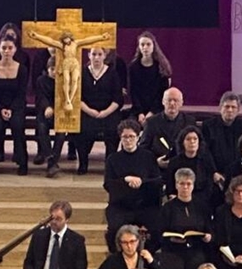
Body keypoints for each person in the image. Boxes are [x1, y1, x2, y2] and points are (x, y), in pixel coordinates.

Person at [103, 119, 163, 251]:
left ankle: (148, 258)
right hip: (121, 206)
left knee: (157, 229)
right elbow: (108, 184)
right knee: (114, 229)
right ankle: (118, 259)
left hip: (145, 206)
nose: (128, 140)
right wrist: (125, 180)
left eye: (131, 136)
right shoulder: (113, 159)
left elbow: (157, 181)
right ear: (120, 138)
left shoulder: (148, 156)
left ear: (138, 137)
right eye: (125, 137)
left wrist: (141, 181)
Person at [158, 168, 213, 269]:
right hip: (173, 251)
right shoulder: (168, 208)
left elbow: (209, 229)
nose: (185, 187)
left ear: (193, 185)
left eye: (189, 184)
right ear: (176, 185)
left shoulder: (201, 206)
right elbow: (160, 233)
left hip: (196, 249)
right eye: (182, 183)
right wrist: (171, 239)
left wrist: (208, 236)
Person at [75, 46, 124, 175]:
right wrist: (89, 111)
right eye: (94, 54)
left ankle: (110, 166)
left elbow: (118, 98)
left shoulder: (113, 73)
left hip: (109, 112)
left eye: (99, 54)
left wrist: (105, 112)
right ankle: (83, 163)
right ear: (89, 55)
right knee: (81, 129)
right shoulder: (82, 72)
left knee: (113, 130)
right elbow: (76, 96)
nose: (96, 57)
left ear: (104, 56)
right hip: (87, 111)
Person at [0, 37, 29, 175]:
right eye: (4, 48)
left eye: (10, 48)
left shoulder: (22, 69)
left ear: (15, 50)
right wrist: (1, 109)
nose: (7, 51)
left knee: (17, 124)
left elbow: (22, 93)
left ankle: (22, 163)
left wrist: (11, 109)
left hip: (16, 106)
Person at [202, 92, 242, 189]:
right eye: (227, 106)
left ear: (238, 110)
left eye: (233, 107)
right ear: (220, 108)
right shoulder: (208, 126)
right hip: (215, 174)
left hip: (238, 174)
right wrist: (214, 172)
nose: (230, 110)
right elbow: (205, 151)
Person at [139, 87, 194, 168]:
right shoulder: (151, 122)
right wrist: (155, 162)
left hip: (183, 166)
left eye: (176, 100)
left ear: (181, 103)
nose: (172, 103)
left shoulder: (189, 122)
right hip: (157, 167)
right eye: (169, 100)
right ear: (163, 102)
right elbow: (143, 149)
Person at [164, 125, 218, 208]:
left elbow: (209, 187)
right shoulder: (174, 162)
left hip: (201, 203)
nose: (192, 142)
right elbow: (170, 186)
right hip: (179, 202)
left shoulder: (206, 161)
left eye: (195, 139)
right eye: (188, 139)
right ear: (182, 142)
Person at [32, 53, 66, 177]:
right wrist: (47, 107)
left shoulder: (64, 81)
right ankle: (51, 160)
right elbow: (41, 97)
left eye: (57, 69)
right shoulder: (41, 81)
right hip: (44, 112)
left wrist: (57, 109)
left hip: (60, 112)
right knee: (41, 128)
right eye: (52, 69)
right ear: (47, 69)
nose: (54, 72)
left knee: (61, 134)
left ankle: (52, 161)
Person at [127, 31, 172, 124]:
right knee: (130, 126)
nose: (145, 47)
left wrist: (151, 112)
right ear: (139, 47)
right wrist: (140, 113)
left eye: (148, 44)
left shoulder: (161, 67)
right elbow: (133, 92)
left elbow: (162, 93)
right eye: (142, 45)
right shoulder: (133, 67)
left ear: (153, 46)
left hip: (157, 109)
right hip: (138, 110)